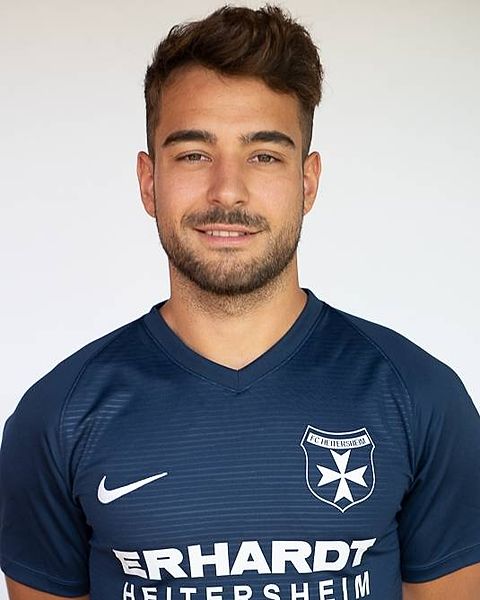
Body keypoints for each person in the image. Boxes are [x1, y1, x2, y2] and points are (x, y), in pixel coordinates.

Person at [1, 4, 479, 600]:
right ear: (149, 182)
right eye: (193, 154)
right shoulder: (57, 417)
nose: (227, 190)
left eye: (264, 155)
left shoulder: (421, 398)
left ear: (308, 182)